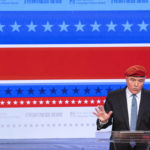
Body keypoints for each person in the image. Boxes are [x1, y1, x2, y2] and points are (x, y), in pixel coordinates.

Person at [93, 65, 150, 150]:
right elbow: (105, 121)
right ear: (126, 79)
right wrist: (103, 121)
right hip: (119, 146)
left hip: (145, 146)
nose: (136, 84)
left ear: (144, 80)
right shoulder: (114, 96)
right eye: (132, 80)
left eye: (140, 81)